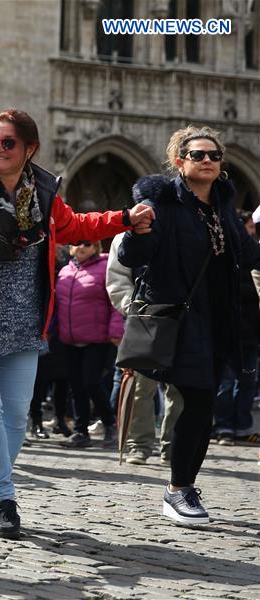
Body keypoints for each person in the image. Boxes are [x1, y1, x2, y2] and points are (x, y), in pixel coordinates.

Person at [0, 108, 154, 539]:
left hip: (24, 323)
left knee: (17, 416)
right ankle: (4, 499)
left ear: (29, 149)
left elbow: (75, 226)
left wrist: (124, 219)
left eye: (8, 143)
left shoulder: (43, 193)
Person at [118, 126, 260, 525]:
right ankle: (179, 489)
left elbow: (248, 255)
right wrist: (137, 230)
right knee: (197, 401)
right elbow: (133, 255)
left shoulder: (223, 207)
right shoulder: (162, 204)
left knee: (205, 405)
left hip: (219, 320)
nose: (208, 161)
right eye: (198, 155)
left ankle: (183, 487)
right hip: (181, 320)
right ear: (179, 161)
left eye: (215, 155)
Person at [106, 232, 184, 465]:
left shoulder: (188, 222)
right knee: (141, 387)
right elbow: (117, 279)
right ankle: (139, 444)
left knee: (179, 387)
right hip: (144, 319)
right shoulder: (126, 236)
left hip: (182, 316)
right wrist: (135, 308)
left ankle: (173, 447)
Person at [55, 240, 122, 448]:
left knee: (91, 382)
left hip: (98, 338)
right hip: (69, 338)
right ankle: (81, 431)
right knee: (76, 385)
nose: (81, 247)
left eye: (87, 243)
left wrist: (116, 330)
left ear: (96, 247)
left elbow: (115, 302)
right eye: (76, 243)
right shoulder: (65, 270)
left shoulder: (106, 267)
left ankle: (110, 425)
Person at [214, 210, 259, 445]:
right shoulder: (222, 258)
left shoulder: (254, 258)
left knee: (248, 382)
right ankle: (223, 428)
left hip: (252, 333)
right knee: (226, 382)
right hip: (228, 331)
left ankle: (241, 426)